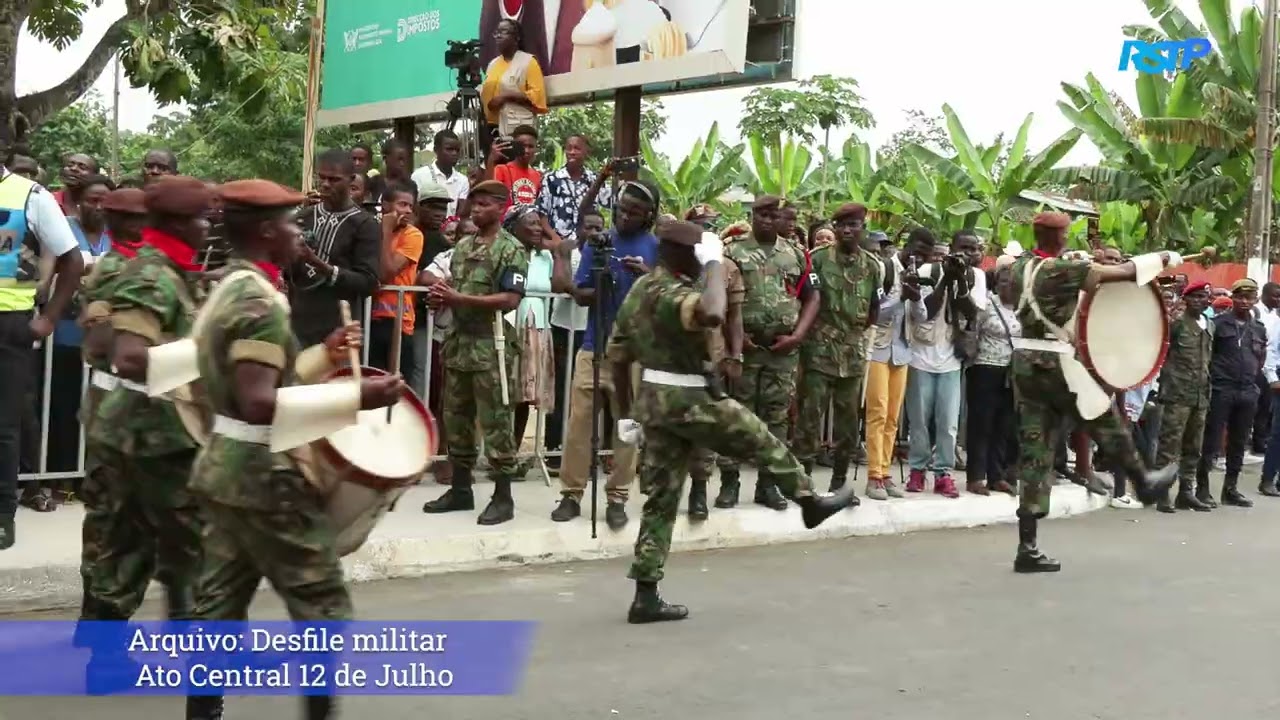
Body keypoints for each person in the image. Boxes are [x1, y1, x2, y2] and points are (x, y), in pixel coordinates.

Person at [183, 178, 404, 720]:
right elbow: (259, 403)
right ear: (265, 231)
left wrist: (322, 356)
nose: (297, 232)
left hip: (224, 468)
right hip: (263, 473)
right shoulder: (259, 301)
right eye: (289, 223)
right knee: (322, 603)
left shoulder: (233, 286)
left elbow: (252, 385)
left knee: (219, 604)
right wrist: (355, 395)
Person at [607, 221, 857, 623]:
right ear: (683, 255)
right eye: (698, 253)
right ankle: (809, 500)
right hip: (689, 399)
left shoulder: (640, 290)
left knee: (661, 498)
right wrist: (713, 266)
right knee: (761, 438)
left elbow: (617, 356)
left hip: (654, 403)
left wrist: (626, 414)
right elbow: (712, 312)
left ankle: (646, 594)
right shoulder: (672, 292)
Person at [1008, 212, 1178, 573]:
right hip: (1054, 363)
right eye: (1067, 235)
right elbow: (1115, 275)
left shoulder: (1018, 267)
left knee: (1035, 451)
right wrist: (1156, 261)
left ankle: (1028, 547)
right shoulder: (1060, 270)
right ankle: (1143, 480)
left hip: (1023, 361)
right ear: (1059, 237)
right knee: (1104, 417)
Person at [87, 175, 211, 635]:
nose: (208, 228)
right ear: (179, 223)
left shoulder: (170, 270)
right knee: (189, 548)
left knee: (130, 544)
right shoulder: (153, 273)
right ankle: (202, 668)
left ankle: (106, 659)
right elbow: (130, 356)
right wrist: (211, 354)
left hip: (146, 431)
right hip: (154, 435)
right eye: (201, 219)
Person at [550, 181, 660, 529]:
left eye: (634, 212)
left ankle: (618, 496)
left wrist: (646, 277)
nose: (624, 216)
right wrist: (599, 279)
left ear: (649, 216)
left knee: (628, 428)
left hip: (634, 353)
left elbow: (670, 295)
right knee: (579, 423)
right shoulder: (601, 242)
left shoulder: (656, 248)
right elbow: (581, 295)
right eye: (621, 209)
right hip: (594, 347)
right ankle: (571, 494)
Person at [421, 180, 527, 525]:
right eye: (473, 204)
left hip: (490, 345)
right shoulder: (463, 246)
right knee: (456, 418)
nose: (475, 210)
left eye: (483, 204)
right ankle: (461, 490)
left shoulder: (512, 249)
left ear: (501, 207)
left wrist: (459, 300)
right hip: (459, 342)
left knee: (496, 421)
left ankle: (503, 497)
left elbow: (510, 300)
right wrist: (440, 296)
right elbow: (453, 287)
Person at [0, 139, 85, 549]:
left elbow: (73, 260)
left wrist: (49, 317)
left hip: (8, 324)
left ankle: (3, 516)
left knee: (4, 425)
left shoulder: (30, 195)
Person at [72, 187, 146, 634]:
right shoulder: (134, 271)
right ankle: (105, 634)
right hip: (129, 400)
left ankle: (90, 615)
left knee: (100, 513)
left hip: (103, 398)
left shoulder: (108, 266)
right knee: (124, 521)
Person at [715, 195, 818, 510]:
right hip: (744, 349)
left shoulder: (796, 255)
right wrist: (733, 338)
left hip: (782, 349)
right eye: (762, 214)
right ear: (752, 215)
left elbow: (813, 297)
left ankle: (768, 485)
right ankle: (729, 483)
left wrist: (798, 335)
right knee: (737, 417)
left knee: (776, 419)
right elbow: (716, 297)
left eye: (774, 215)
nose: (767, 220)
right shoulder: (731, 252)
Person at [794, 203, 880, 495]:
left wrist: (853, 334)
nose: (846, 230)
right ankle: (802, 483)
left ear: (861, 228)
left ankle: (840, 484)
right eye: (841, 225)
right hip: (819, 350)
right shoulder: (816, 260)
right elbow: (805, 301)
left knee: (847, 425)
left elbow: (873, 310)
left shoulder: (871, 265)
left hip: (852, 354)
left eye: (853, 225)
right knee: (809, 417)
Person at [289, 148, 381, 347]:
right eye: (321, 178)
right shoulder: (303, 217)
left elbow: (368, 281)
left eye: (334, 179)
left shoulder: (365, 224)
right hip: (299, 323)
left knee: (335, 379)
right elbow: (290, 273)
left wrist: (319, 264)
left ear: (351, 179)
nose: (325, 184)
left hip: (339, 328)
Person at [1195, 278, 1267, 508]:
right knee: (1212, 441)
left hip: (1247, 391)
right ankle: (1202, 488)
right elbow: (1207, 356)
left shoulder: (1258, 328)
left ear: (1255, 299)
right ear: (1233, 298)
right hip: (1221, 388)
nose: (1244, 301)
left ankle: (1231, 489)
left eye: (1249, 297)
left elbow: (1260, 357)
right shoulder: (1217, 324)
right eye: (1240, 296)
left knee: (1239, 443)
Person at [1153, 281, 1214, 512]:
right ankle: (1162, 493)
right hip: (1177, 393)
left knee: (1193, 446)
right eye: (1195, 297)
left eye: (1204, 297)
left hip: (1200, 395)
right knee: (1169, 445)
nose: (1200, 301)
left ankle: (1186, 492)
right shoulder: (1176, 324)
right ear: (1186, 300)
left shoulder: (1209, 325)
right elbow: (1161, 354)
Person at [964, 263, 1020, 495]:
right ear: (996, 284)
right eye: (1004, 282)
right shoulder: (987, 305)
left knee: (1003, 425)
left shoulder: (1022, 308)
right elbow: (971, 331)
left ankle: (996, 476)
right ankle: (976, 477)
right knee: (981, 424)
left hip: (1010, 373)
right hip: (984, 369)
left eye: (1013, 283)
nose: (1008, 287)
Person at [369, 181, 423, 375]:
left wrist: (386, 230)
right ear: (385, 205)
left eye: (411, 205)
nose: (408, 210)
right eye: (402, 204)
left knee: (397, 384)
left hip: (399, 320)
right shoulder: (370, 231)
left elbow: (386, 272)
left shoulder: (413, 235)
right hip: (371, 318)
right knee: (372, 380)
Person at [481, 18, 549, 139]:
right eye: (496, 32)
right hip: (490, 129)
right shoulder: (492, 64)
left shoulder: (528, 62)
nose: (498, 36)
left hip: (515, 129)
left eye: (504, 32)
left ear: (517, 38)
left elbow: (537, 96)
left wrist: (506, 97)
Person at [411, 130, 470, 218]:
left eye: (457, 150)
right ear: (436, 150)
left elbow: (460, 213)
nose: (454, 153)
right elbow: (414, 208)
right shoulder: (419, 175)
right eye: (449, 149)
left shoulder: (462, 180)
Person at [488, 124, 543, 207]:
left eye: (530, 146)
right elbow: (490, 193)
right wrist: (491, 159)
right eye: (523, 146)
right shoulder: (501, 170)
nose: (526, 150)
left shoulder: (537, 175)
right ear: (515, 146)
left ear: (535, 148)